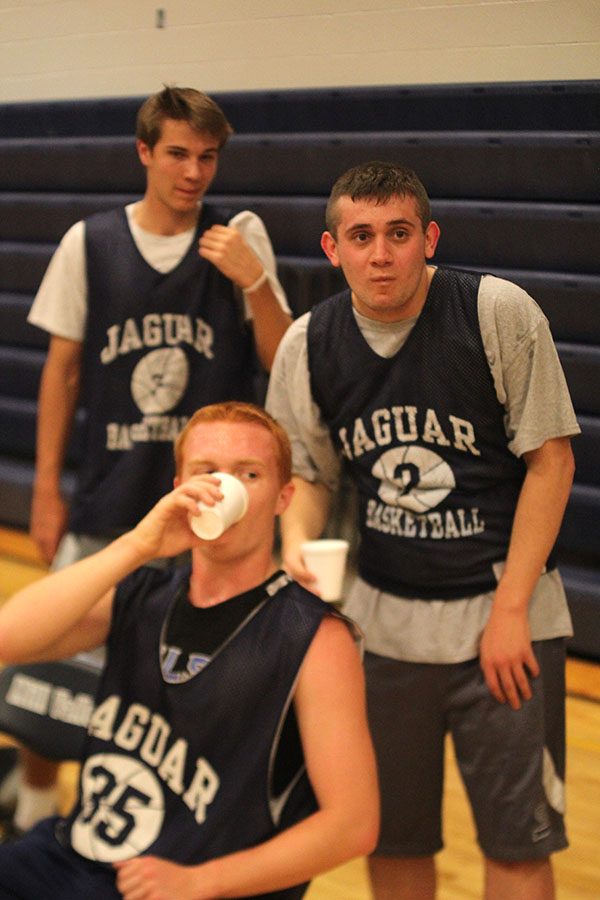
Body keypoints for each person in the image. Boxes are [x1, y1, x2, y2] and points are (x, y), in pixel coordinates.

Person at [266, 161, 580, 900]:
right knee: (394, 834)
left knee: (517, 842)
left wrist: (510, 614)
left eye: (399, 234)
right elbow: (307, 476)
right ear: (331, 247)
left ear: (429, 238)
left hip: (505, 618)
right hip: (383, 627)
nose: (381, 254)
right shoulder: (307, 343)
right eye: (363, 236)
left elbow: (553, 463)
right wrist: (296, 553)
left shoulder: (497, 312)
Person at [13, 85, 292, 835]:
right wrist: (45, 488)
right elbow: (61, 373)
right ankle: (35, 807)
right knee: (50, 675)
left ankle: (152, 823)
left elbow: (283, 361)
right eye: (177, 153)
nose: (193, 171)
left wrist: (255, 281)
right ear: (144, 152)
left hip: (212, 522)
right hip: (111, 497)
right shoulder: (90, 242)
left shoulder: (238, 242)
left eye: (207, 157)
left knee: (180, 689)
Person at [0, 401, 379, 899]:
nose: (225, 488)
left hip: (190, 887)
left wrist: (202, 881)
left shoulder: (314, 638)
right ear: (179, 489)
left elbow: (353, 825)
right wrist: (137, 544)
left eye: (249, 473)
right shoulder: (144, 592)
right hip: (76, 856)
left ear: (283, 497)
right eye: (207, 472)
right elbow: (8, 637)